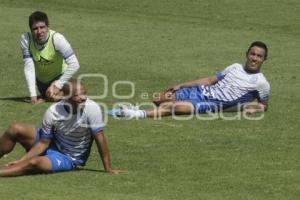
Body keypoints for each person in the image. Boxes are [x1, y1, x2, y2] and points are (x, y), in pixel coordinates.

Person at [110, 41, 270, 118]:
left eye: (259, 56)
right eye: (252, 54)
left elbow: (264, 106)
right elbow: (209, 80)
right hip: (201, 91)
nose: (254, 58)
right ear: (247, 54)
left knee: (175, 107)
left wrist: (250, 109)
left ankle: (131, 113)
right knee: (161, 98)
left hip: (211, 103)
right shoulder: (234, 66)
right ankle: (137, 108)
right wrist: (181, 85)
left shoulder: (261, 83)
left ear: (264, 60)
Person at [0, 79, 122, 177]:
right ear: (67, 97)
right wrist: (22, 159)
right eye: (77, 95)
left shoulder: (92, 108)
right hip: (51, 143)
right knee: (15, 128)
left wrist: (108, 168)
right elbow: (43, 143)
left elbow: (100, 139)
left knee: (34, 162)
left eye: (84, 93)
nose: (83, 97)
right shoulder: (53, 111)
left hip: (67, 157)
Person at [21, 11, 80, 104]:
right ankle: (48, 96)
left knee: (78, 90)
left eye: (42, 27)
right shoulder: (26, 39)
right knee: (58, 96)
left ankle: (50, 96)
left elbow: (75, 64)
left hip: (60, 77)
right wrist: (33, 94)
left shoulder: (57, 38)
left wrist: (57, 84)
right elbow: (29, 67)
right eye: (35, 29)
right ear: (31, 30)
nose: (39, 32)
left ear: (48, 26)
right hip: (42, 83)